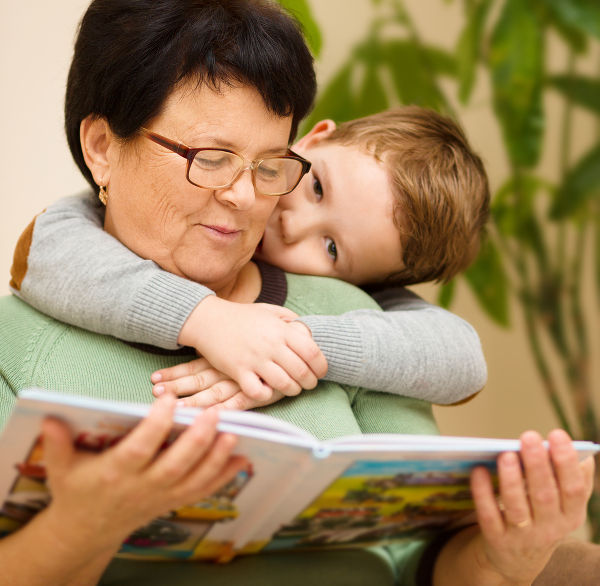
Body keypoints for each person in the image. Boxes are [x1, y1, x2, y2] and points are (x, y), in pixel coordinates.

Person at [0, 1, 593, 585]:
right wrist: (81, 528)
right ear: (103, 147)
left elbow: (418, 558)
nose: (246, 197)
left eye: (269, 165)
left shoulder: (361, 322)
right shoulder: (19, 333)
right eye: (210, 159)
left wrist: (501, 561)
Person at [10, 106, 490, 409]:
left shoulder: (348, 301)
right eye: (317, 186)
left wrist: (284, 346)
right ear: (314, 138)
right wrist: (208, 319)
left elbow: (463, 360)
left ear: (367, 280)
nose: (292, 223)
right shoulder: (143, 206)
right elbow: (40, 249)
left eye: (331, 249)